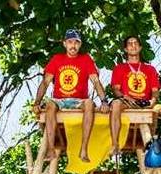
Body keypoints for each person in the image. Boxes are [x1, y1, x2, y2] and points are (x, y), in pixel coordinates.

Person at [33, 29, 110, 162]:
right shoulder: (57, 59)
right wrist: (36, 102)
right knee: (50, 105)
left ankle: (84, 149)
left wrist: (104, 101)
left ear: (79, 44)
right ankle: (51, 150)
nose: (73, 45)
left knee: (89, 104)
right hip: (59, 100)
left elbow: (96, 81)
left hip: (79, 100)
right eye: (70, 42)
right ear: (64, 44)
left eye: (76, 42)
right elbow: (45, 82)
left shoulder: (86, 59)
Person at [109, 35, 161, 167]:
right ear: (125, 49)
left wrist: (153, 101)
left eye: (136, 43)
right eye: (130, 43)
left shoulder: (149, 69)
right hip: (128, 102)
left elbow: (155, 91)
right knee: (115, 104)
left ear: (140, 47)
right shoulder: (119, 68)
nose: (133, 45)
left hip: (147, 103)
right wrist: (125, 97)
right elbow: (116, 90)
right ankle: (115, 145)